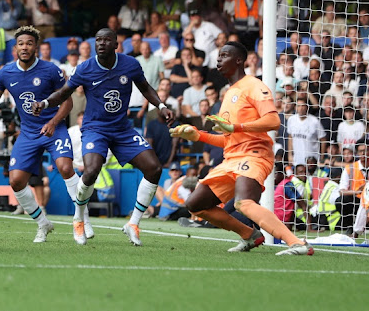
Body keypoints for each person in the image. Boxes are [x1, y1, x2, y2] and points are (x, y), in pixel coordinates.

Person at [33, 28, 175, 246]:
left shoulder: (130, 64)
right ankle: (79, 218)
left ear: (116, 44)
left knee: (154, 168)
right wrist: (44, 103)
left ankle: (133, 223)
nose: (101, 43)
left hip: (122, 129)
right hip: (95, 128)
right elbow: (63, 93)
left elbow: (146, 88)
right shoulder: (86, 68)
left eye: (106, 40)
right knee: (90, 171)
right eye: (98, 40)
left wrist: (162, 106)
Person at [171, 41, 314, 255]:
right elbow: (229, 140)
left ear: (239, 60)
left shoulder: (254, 85)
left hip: (255, 154)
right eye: (218, 55)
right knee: (195, 204)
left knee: (243, 203)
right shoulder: (228, 93)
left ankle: (298, 243)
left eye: (224, 55)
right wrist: (198, 134)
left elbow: (274, 121)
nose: (218, 59)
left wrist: (236, 126)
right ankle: (249, 235)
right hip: (232, 159)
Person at [0, 25, 93, 245]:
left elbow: (68, 103)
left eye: (29, 43)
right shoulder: (5, 73)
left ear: (36, 47)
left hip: (54, 129)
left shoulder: (51, 70)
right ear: (15, 48)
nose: (24, 47)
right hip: (28, 133)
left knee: (66, 167)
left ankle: (81, 218)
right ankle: (42, 223)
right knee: (16, 181)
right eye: (20, 44)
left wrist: (53, 122)